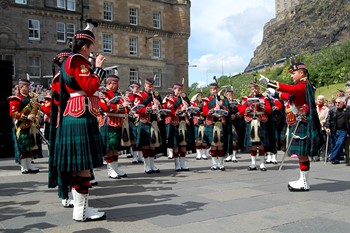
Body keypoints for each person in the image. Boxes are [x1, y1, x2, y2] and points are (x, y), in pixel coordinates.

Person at [52, 19, 106, 221]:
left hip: (73, 115)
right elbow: (91, 87)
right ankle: (81, 212)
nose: (91, 51)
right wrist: (98, 68)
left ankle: (79, 210)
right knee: (82, 166)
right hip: (80, 115)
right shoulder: (78, 61)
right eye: (90, 47)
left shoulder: (68, 62)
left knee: (78, 166)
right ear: (85, 46)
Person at [260, 62, 323, 191]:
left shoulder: (304, 85)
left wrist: (271, 83)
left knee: (302, 154)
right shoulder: (302, 85)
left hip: (302, 122)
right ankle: (302, 179)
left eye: (293, 73)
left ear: (302, 73)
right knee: (301, 154)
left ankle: (304, 183)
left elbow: (291, 90)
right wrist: (275, 94)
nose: (292, 76)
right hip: (297, 121)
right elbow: (289, 96)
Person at [99, 74, 129, 179]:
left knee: (115, 147)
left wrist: (126, 104)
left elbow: (126, 110)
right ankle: (110, 170)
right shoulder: (103, 94)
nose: (117, 85)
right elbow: (105, 107)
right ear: (109, 83)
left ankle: (115, 168)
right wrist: (121, 106)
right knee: (109, 147)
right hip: (108, 122)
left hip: (118, 123)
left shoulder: (118, 94)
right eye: (115, 83)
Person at [8, 79, 40, 174]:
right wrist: (27, 117)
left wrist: (35, 116)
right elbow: (13, 113)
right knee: (22, 146)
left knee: (29, 146)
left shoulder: (31, 98)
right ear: (21, 87)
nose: (29, 88)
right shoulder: (16, 98)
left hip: (30, 125)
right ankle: (23, 166)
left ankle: (29, 164)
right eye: (27, 86)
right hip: (21, 126)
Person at [239, 82, 272, 171]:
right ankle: (253, 163)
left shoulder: (264, 98)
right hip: (251, 122)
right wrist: (247, 109)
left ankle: (262, 164)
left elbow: (269, 110)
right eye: (253, 89)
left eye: (256, 88)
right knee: (252, 145)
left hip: (261, 122)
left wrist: (263, 107)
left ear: (259, 89)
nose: (254, 90)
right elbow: (241, 111)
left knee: (261, 145)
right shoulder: (247, 99)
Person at [134, 77, 163, 174]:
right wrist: (150, 108)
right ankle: (146, 166)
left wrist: (158, 105)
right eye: (149, 86)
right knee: (146, 146)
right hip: (145, 121)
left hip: (154, 122)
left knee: (153, 145)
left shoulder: (154, 96)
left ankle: (152, 165)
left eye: (152, 86)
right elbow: (137, 109)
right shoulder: (140, 96)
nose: (150, 88)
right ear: (145, 85)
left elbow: (161, 107)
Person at [163, 83, 191, 171]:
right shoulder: (170, 99)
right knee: (175, 145)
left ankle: (183, 163)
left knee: (183, 145)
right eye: (178, 90)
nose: (179, 92)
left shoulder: (184, 100)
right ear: (174, 90)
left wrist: (187, 111)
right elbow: (169, 112)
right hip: (174, 123)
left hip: (183, 123)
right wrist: (180, 110)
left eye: (180, 90)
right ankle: (177, 164)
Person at [202, 82, 229, 171]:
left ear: (218, 89)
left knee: (220, 144)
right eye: (213, 89)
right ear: (210, 90)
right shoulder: (207, 100)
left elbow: (227, 110)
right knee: (213, 145)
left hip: (221, 122)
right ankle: (214, 164)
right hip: (211, 123)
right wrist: (214, 108)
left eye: (216, 89)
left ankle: (221, 164)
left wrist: (222, 106)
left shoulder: (223, 99)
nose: (214, 90)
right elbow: (205, 112)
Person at [325, 97, 349, 164]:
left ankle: (332, 156)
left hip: (343, 130)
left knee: (339, 143)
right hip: (334, 130)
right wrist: (327, 127)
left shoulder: (347, 108)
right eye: (336, 102)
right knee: (335, 144)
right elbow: (328, 119)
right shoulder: (332, 109)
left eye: (339, 103)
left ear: (343, 103)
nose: (337, 104)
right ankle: (335, 159)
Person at [316, 95, 329, 161]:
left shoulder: (326, 109)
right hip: (315, 127)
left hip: (322, 127)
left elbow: (327, 118)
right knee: (316, 141)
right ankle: (316, 155)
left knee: (323, 141)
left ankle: (324, 155)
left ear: (323, 101)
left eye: (321, 99)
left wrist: (324, 124)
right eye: (318, 99)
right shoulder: (314, 108)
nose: (319, 101)